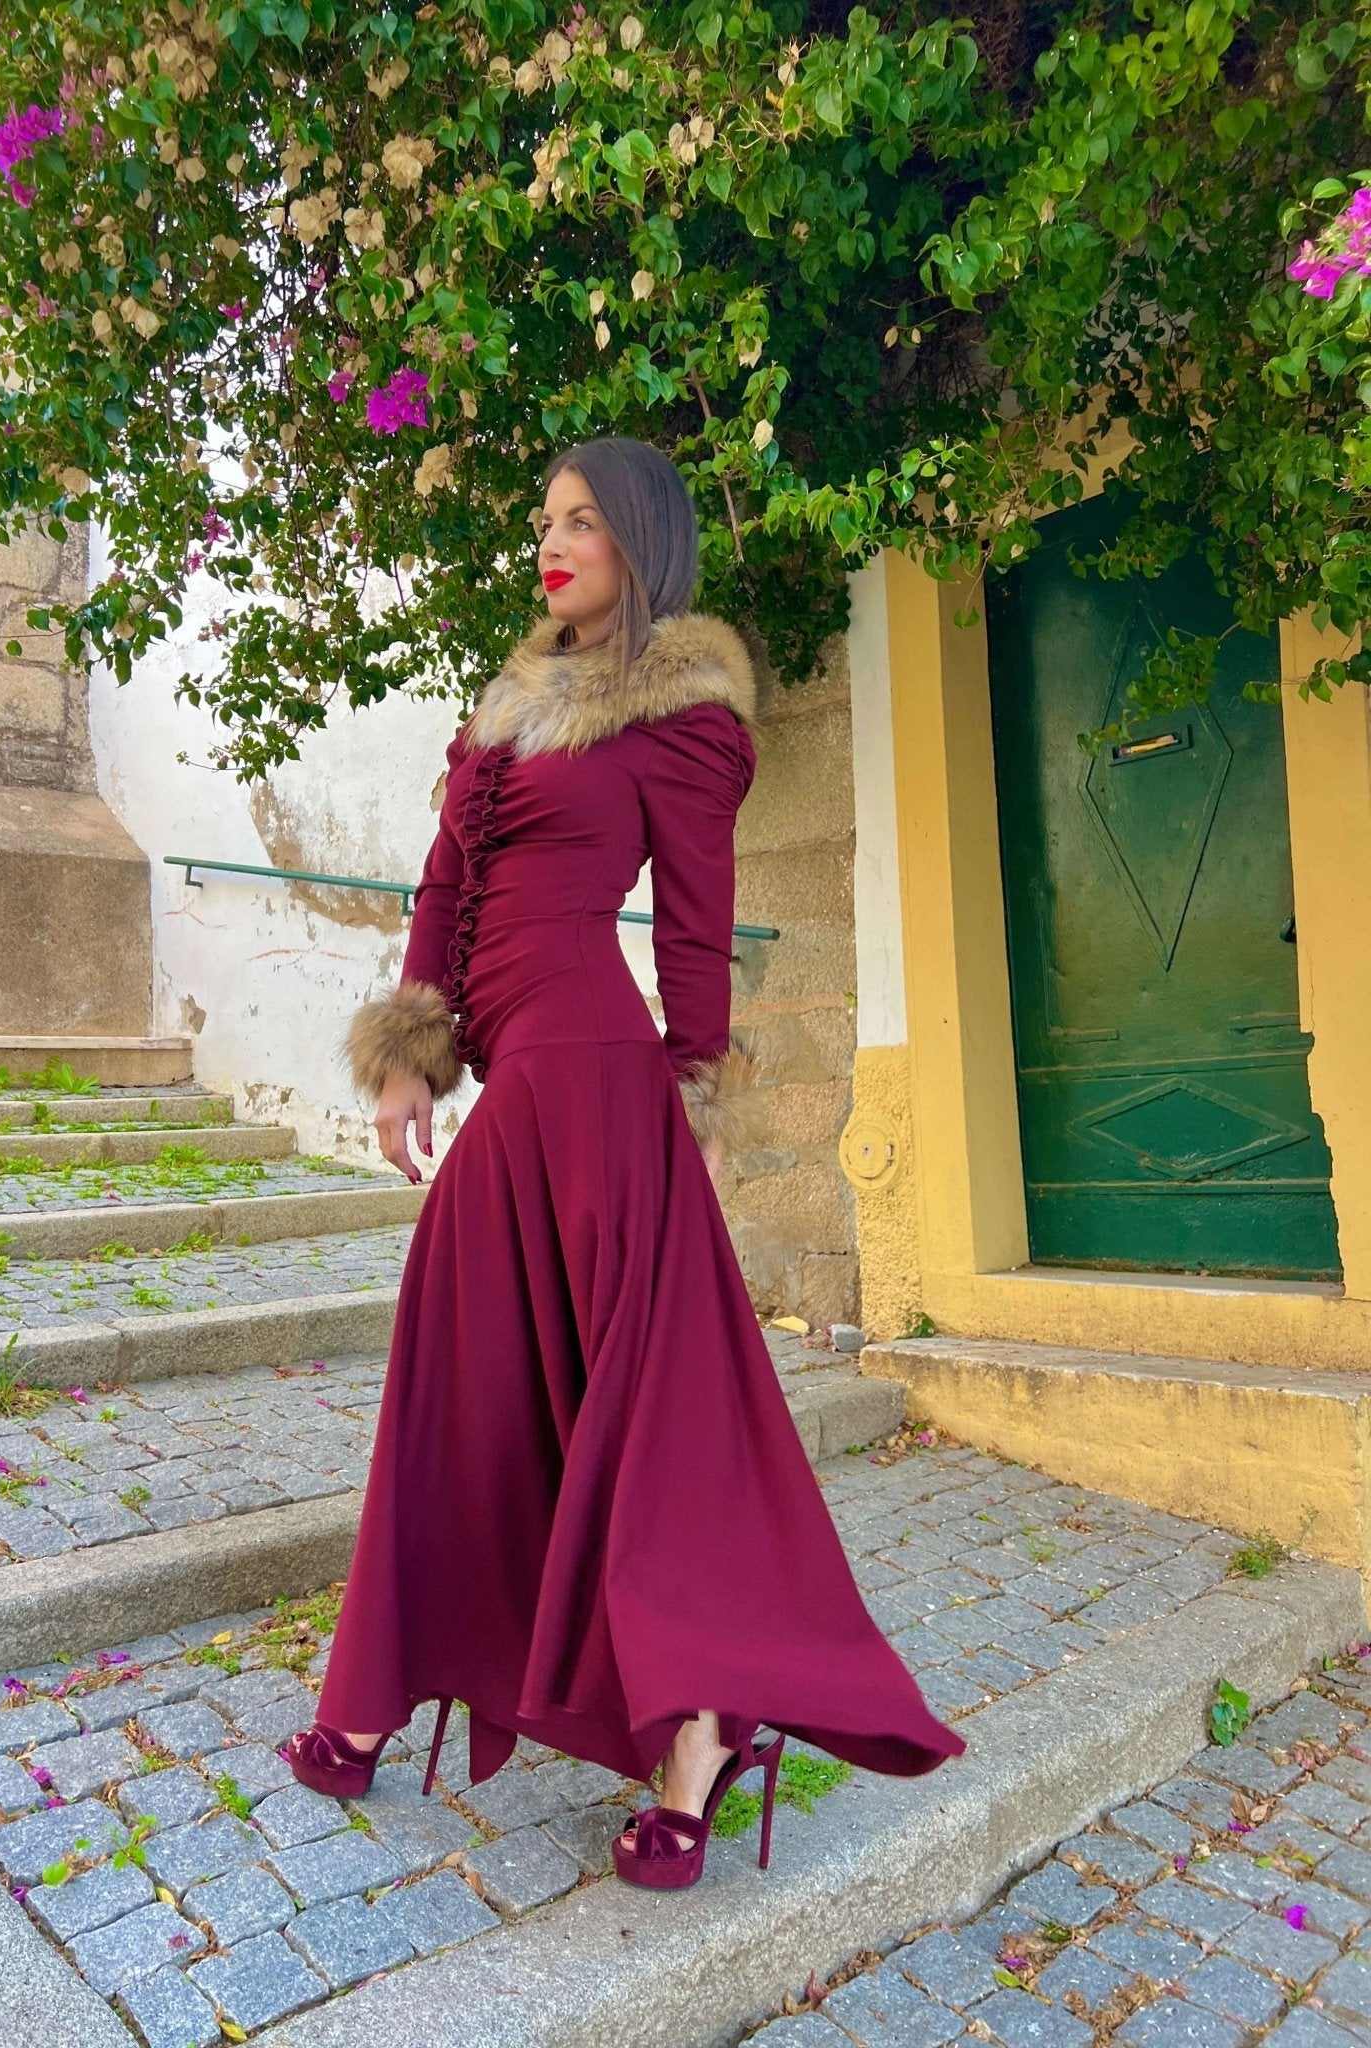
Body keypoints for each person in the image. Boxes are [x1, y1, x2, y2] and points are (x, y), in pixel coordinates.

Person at [285, 436, 965, 1890]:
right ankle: (386, 1681)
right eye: (547, 519)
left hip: (598, 1082)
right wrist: (409, 1054)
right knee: (464, 1373)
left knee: (651, 1421)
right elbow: (447, 884)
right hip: (515, 1081)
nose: (553, 541)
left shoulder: (681, 717)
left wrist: (690, 1098)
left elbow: (698, 924)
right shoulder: (506, 707)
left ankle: (698, 1736)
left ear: (640, 542)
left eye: (583, 520)